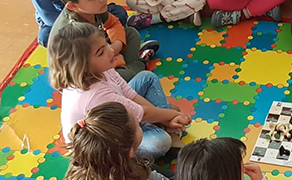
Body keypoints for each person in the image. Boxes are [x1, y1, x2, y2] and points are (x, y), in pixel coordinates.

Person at [48, 23, 190, 158]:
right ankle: (163, 125)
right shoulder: (95, 95)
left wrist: (165, 118)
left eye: (106, 44)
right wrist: (172, 115)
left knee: (147, 77)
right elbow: (143, 114)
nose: (111, 51)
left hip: (121, 116)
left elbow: (129, 94)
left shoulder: (102, 68)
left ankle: (162, 121)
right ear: (82, 66)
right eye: (101, 52)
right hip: (103, 144)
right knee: (160, 142)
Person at [50, 0, 159, 81]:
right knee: (128, 75)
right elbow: (86, 70)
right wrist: (115, 59)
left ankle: (131, 66)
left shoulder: (93, 8)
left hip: (102, 54)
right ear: (73, 6)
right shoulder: (74, 33)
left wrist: (116, 46)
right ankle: (138, 64)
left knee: (131, 33)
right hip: (84, 76)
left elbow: (113, 24)